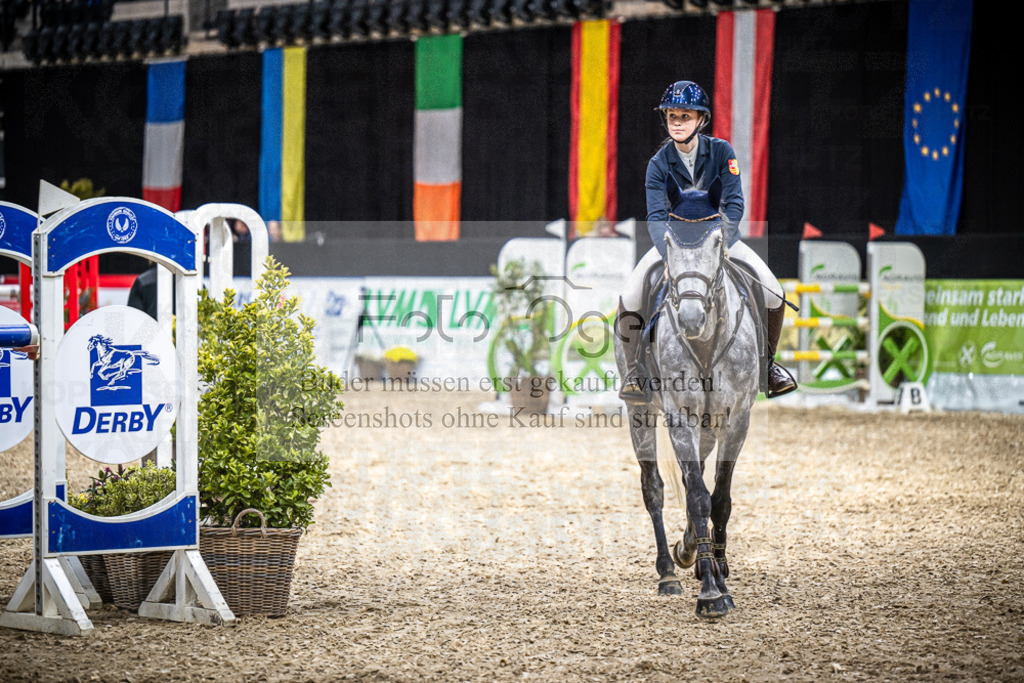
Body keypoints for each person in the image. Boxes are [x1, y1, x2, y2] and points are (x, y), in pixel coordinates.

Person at [617, 80, 797, 403]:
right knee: (630, 294)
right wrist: (669, 256)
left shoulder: (722, 153)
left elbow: (735, 203)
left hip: (720, 241)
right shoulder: (658, 165)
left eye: (685, 116)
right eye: (672, 115)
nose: (677, 122)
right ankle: (634, 373)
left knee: (774, 292)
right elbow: (656, 217)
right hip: (674, 244)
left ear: (701, 120)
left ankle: (768, 366)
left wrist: (723, 242)